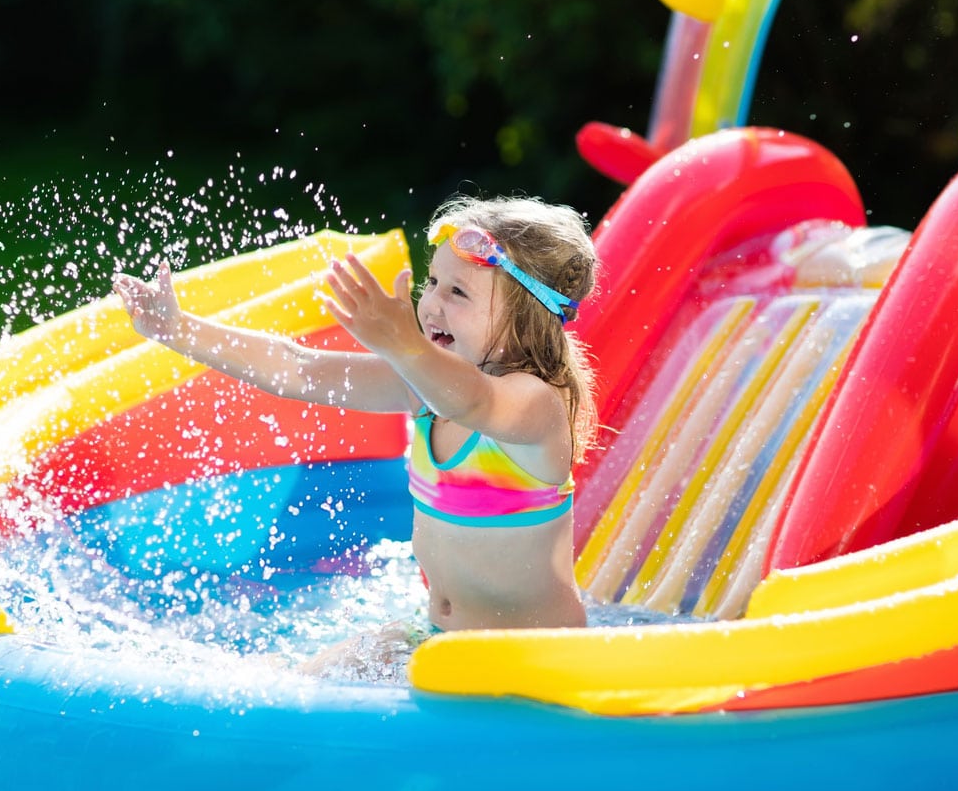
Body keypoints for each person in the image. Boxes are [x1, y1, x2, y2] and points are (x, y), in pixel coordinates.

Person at [112, 194, 600, 648]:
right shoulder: (424, 390)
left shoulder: (537, 405)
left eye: (457, 292)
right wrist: (178, 330)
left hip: (536, 655)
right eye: (432, 283)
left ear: (526, 317)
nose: (431, 303)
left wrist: (402, 344)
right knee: (288, 691)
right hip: (440, 637)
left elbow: (472, 402)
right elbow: (298, 369)